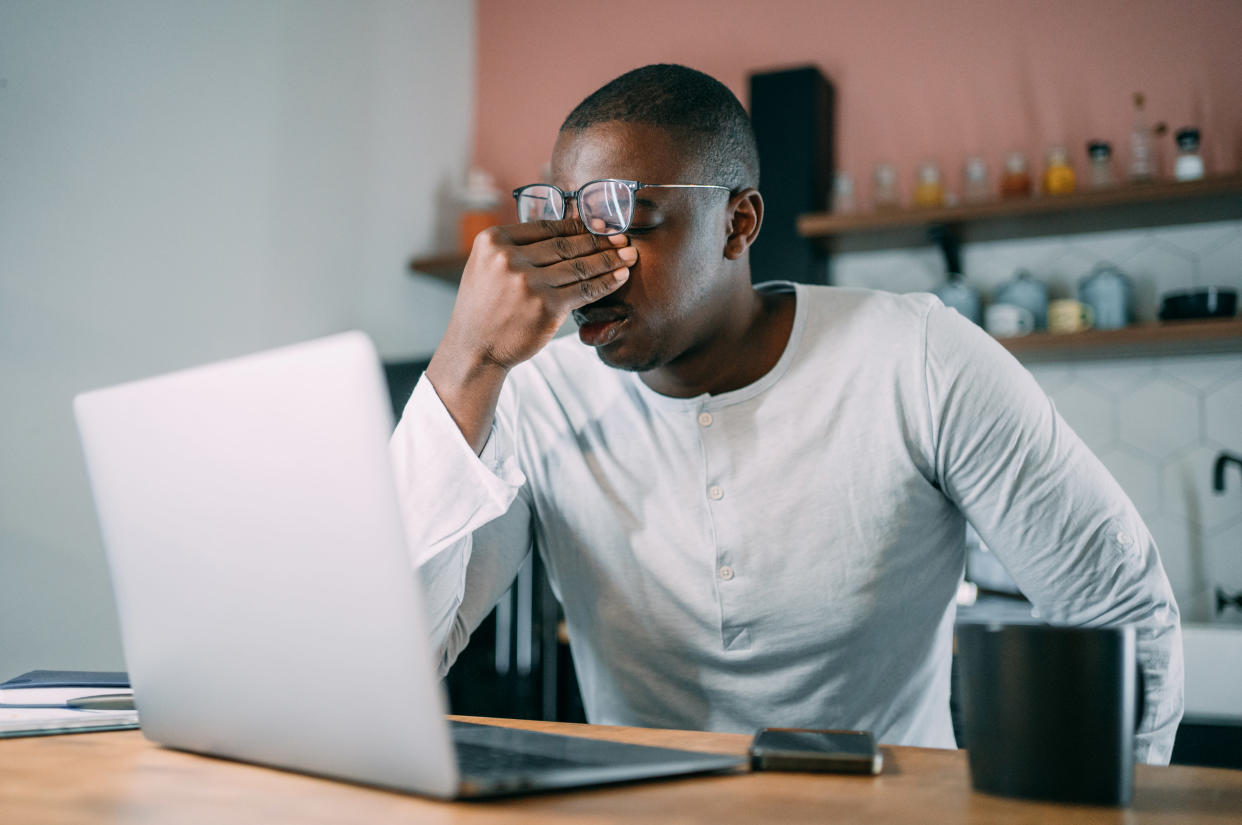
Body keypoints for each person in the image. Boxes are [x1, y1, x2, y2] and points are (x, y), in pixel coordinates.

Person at [390, 64, 1183, 763]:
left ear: (739, 223)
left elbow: (1119, 609)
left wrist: (1120, 803)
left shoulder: (921, 357)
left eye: (619, 215)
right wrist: (467, 361)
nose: (585, 268)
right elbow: (397, 656)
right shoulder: (535, 395)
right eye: (562, 217)